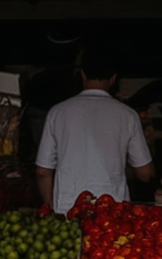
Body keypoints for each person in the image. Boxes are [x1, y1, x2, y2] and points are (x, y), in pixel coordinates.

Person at [35, 47, 155, 215]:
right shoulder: (127, 115)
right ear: (113, 79)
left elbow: (43, 171)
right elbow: (145, 174)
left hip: (67, 213)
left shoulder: (58, 112)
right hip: (113, 214)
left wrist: (50, 210)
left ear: (83, 74)